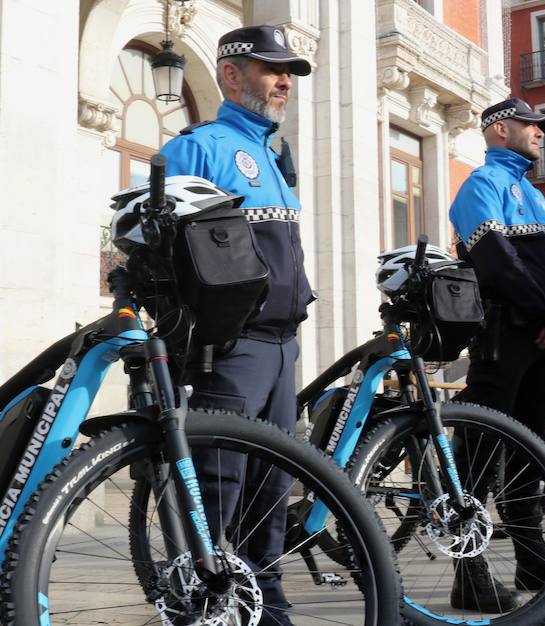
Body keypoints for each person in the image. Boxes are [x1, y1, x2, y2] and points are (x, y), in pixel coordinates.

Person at [160, 25, 313, 626]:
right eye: (272, 69)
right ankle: (197, 605)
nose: (284, 82)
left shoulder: (273, 154)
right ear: (231, 73)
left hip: (282, 345)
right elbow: (155, 244)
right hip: (230, 346)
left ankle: (267, 604)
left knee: (271, 487)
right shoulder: (199, 146)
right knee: (217, 484)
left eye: (289, 72)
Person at [449, 97, 545, 611]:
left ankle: (530, 554)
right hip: (504, 333)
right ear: (501, 129)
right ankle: (468, 569)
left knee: (533, 446)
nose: (541, 132)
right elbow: (497, 264)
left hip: (541, 336)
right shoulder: (480, 185)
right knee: (481, 449)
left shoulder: (533, 193)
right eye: (531, 124)